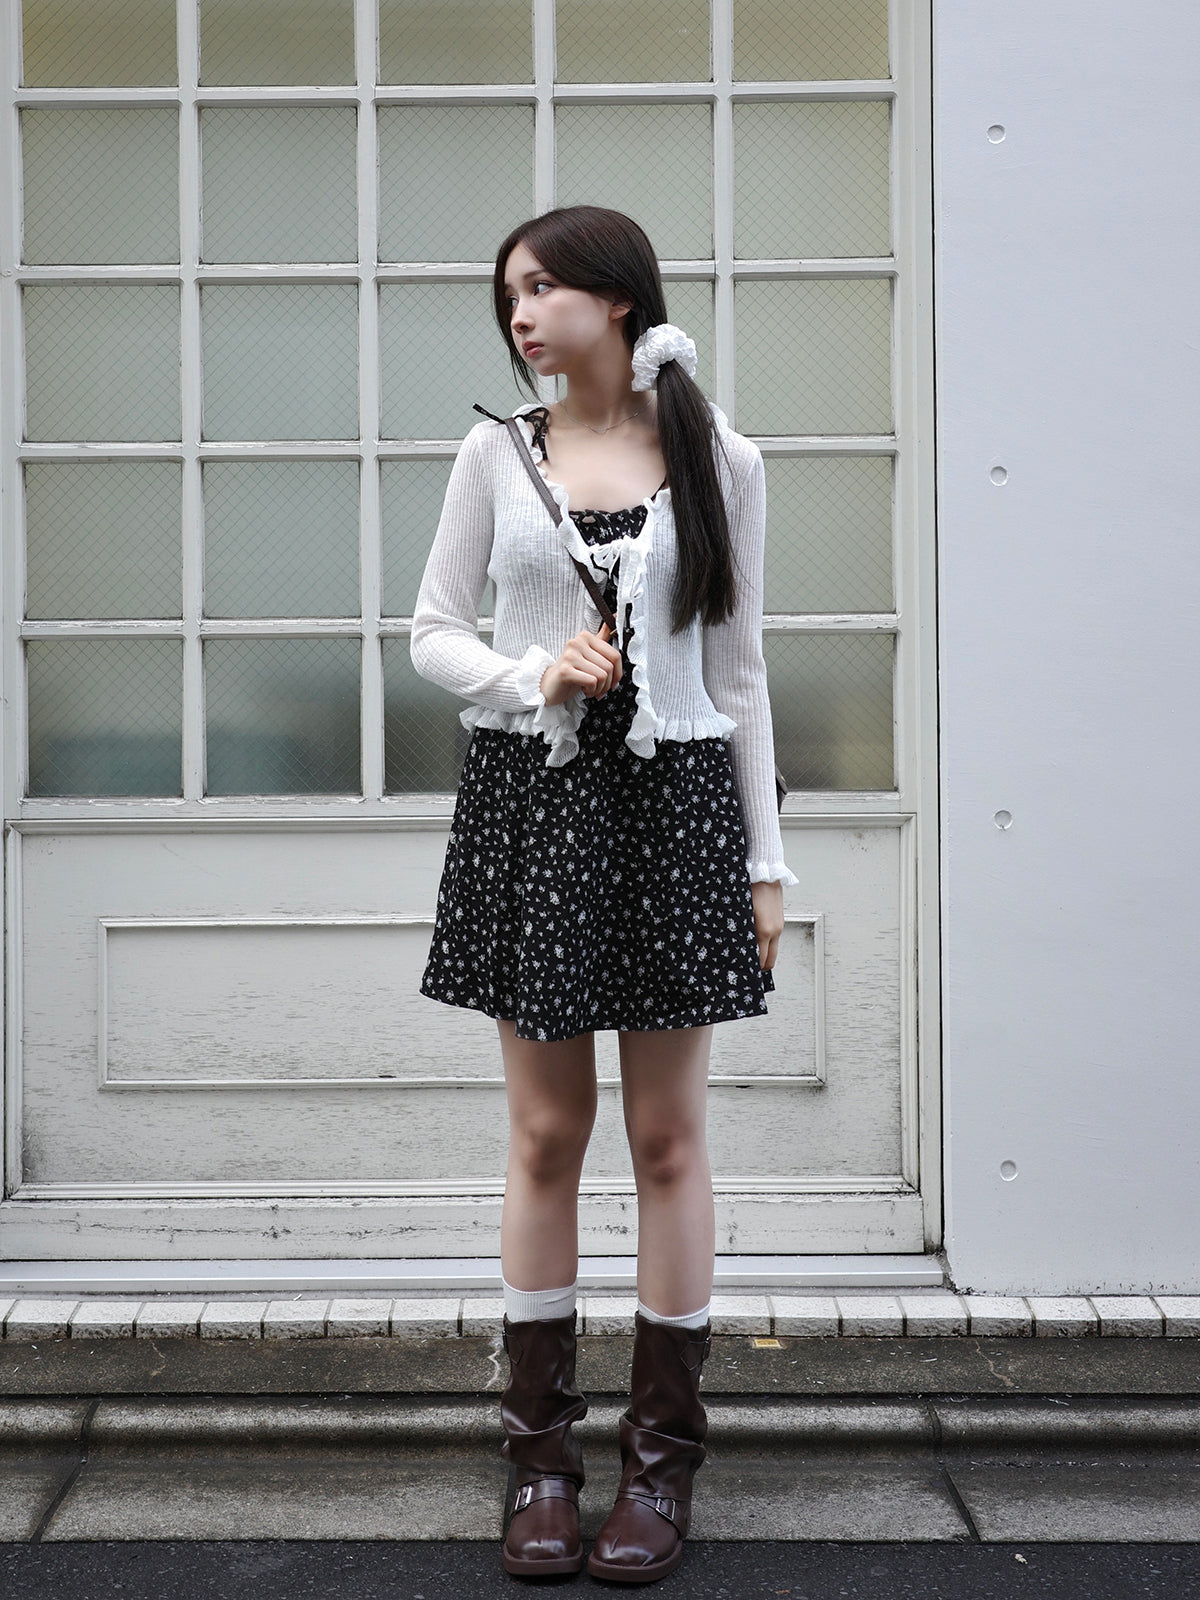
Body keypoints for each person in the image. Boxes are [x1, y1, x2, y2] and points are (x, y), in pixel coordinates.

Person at [410, 204, 797, 1584]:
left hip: (678, 811)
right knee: (544, 1136)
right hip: (538, 804)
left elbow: (740, 674)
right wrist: (534, 674)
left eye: (544, 287)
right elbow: (433, 633)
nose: (521, 313)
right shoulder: (494, 454)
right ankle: (538, 1465)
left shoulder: (721, 457)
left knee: (669, 1140)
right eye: (509, 293)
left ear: (619, 299)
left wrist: (764, 863)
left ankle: (660, 1467)